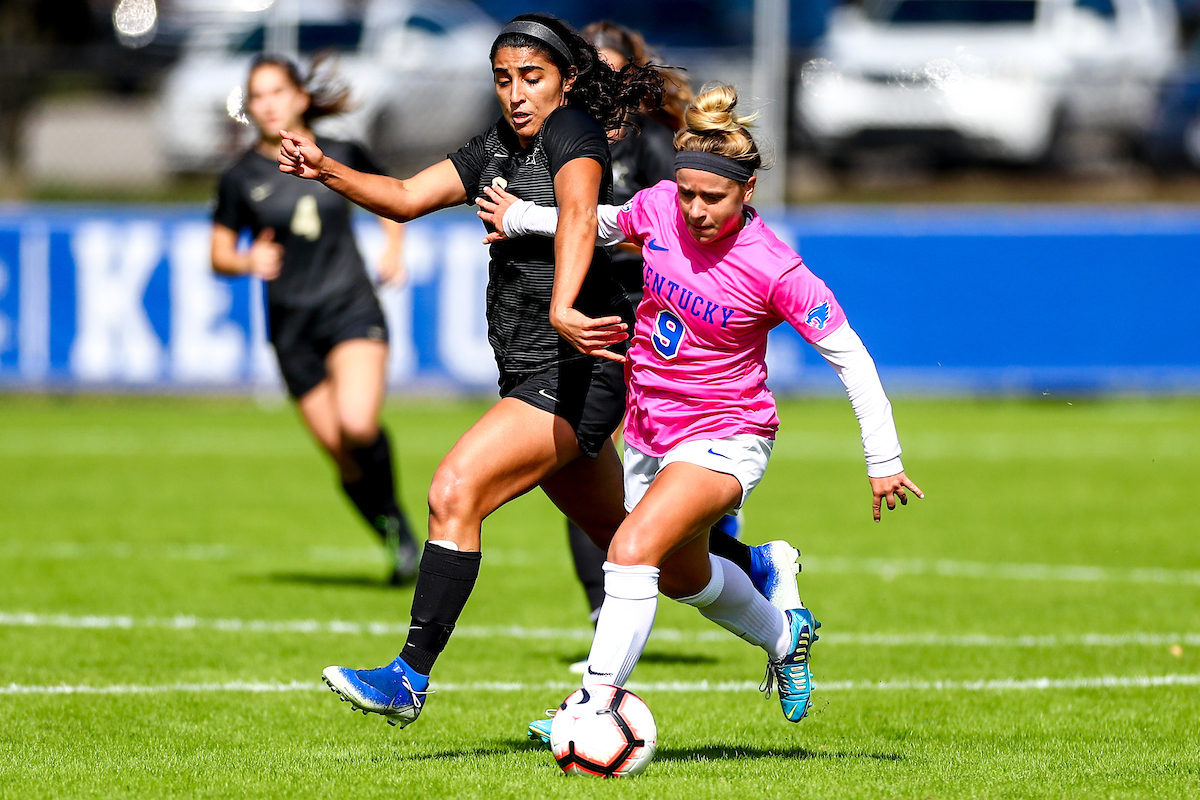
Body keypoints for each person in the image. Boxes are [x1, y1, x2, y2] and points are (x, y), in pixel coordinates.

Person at [279, 14, 803, 731]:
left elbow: (582, 216)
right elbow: (403, 197)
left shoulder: (573, 133)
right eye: (504, 79)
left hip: (578, 367)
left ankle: (409, 677)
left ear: (565, 79)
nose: (516, 92)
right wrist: (326, 169)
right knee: (661, 558)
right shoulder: (496, 144)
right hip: (531, 366)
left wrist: (562, 306)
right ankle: (767, 596)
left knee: (454, 490)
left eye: (531, 76)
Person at [477, 83, 923, 732]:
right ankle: (783, 637)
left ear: (747, 191)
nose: (695, 209)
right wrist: (520, 216)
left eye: (712, 197)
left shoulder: (775, 269)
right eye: (687, 192)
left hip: (729, 434)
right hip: (650, 432)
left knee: (630, 549)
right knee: (681, 579)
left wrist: (883, 458)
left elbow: (850, 356)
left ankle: (591, 708)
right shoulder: (661, 207)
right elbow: (600, 222)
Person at [210, 54, 420, 586]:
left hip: (350, 308)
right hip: (291, 329)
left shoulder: (340, 152)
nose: (268, 104)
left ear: (301, 97)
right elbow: (219, 254)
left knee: (358, 424)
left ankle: (401, 533)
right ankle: (395, 530)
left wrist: (393, 247)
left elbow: (392, 195)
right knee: (343, 457)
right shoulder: (240, 176)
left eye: (277, 92)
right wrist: (247, 261)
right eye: (258, 96)